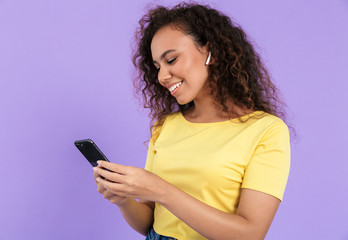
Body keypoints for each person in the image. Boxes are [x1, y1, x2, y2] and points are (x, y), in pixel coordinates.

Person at [93, 2, 292, 240]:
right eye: (157, 66)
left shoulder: (265, 130)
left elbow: (251, 234)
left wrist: (160, 190)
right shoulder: (165, 126)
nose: (162, 76)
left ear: (211, 52)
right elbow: (151, 223)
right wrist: (123, 199)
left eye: (171, 60)